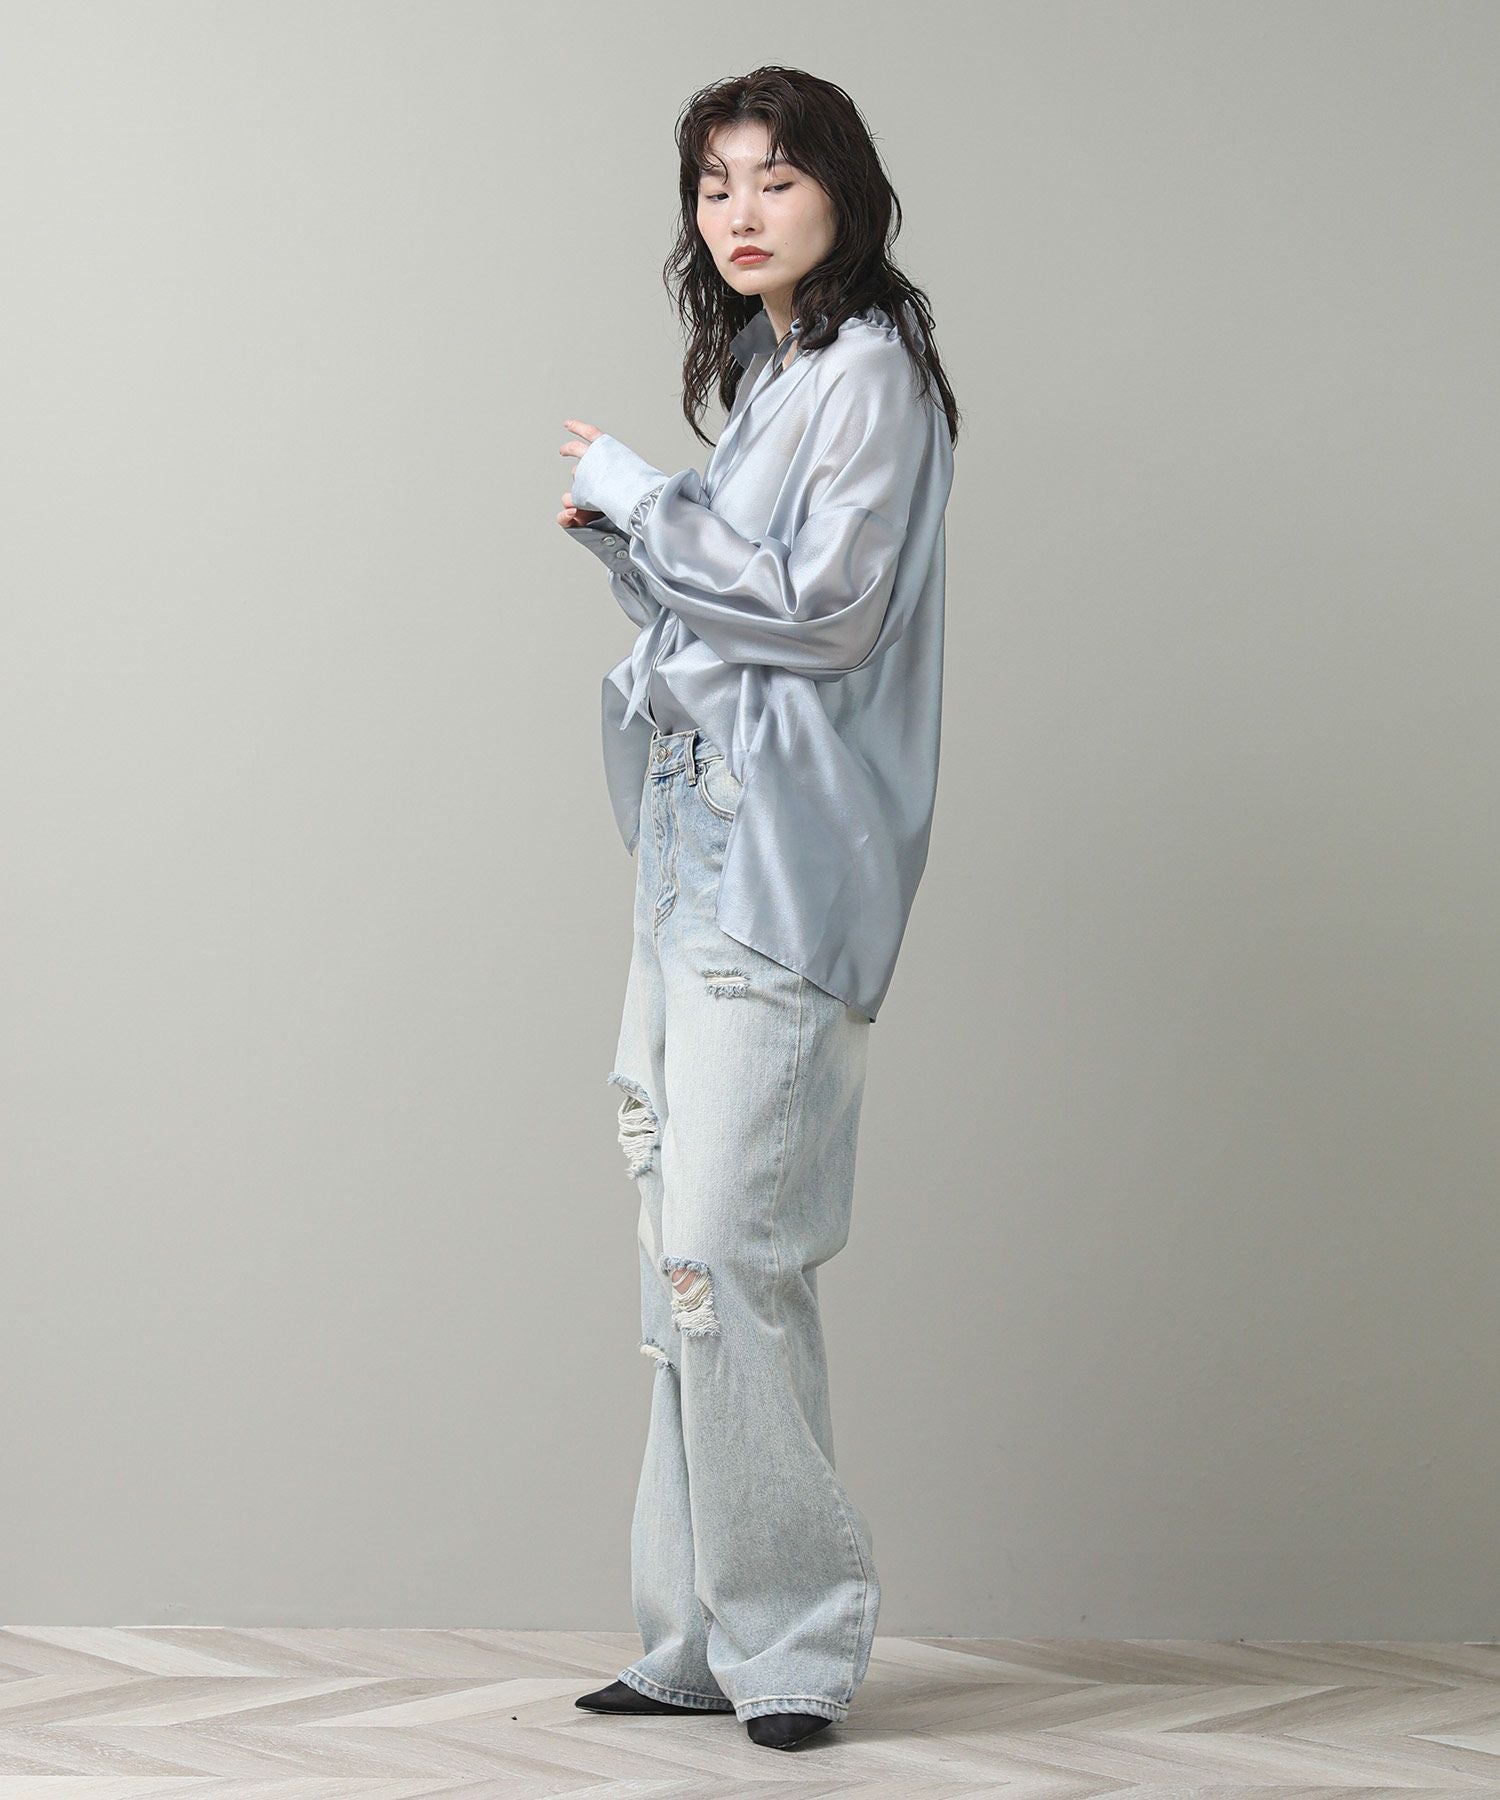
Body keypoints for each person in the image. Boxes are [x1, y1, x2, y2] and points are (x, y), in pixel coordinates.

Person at [555, 66, 960, 1753]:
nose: (738, 210)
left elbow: (827, 612)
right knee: (681, 1266)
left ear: (843, 194)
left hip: (775, 876)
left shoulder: (870, 375)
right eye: (715, 183)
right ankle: (695, 1641)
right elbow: (742, 623)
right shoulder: (784, 371)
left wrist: (650, 497)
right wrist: (630, 541)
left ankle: (792, 1646)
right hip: (690, 854)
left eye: (775, 178)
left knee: (731, 1250)